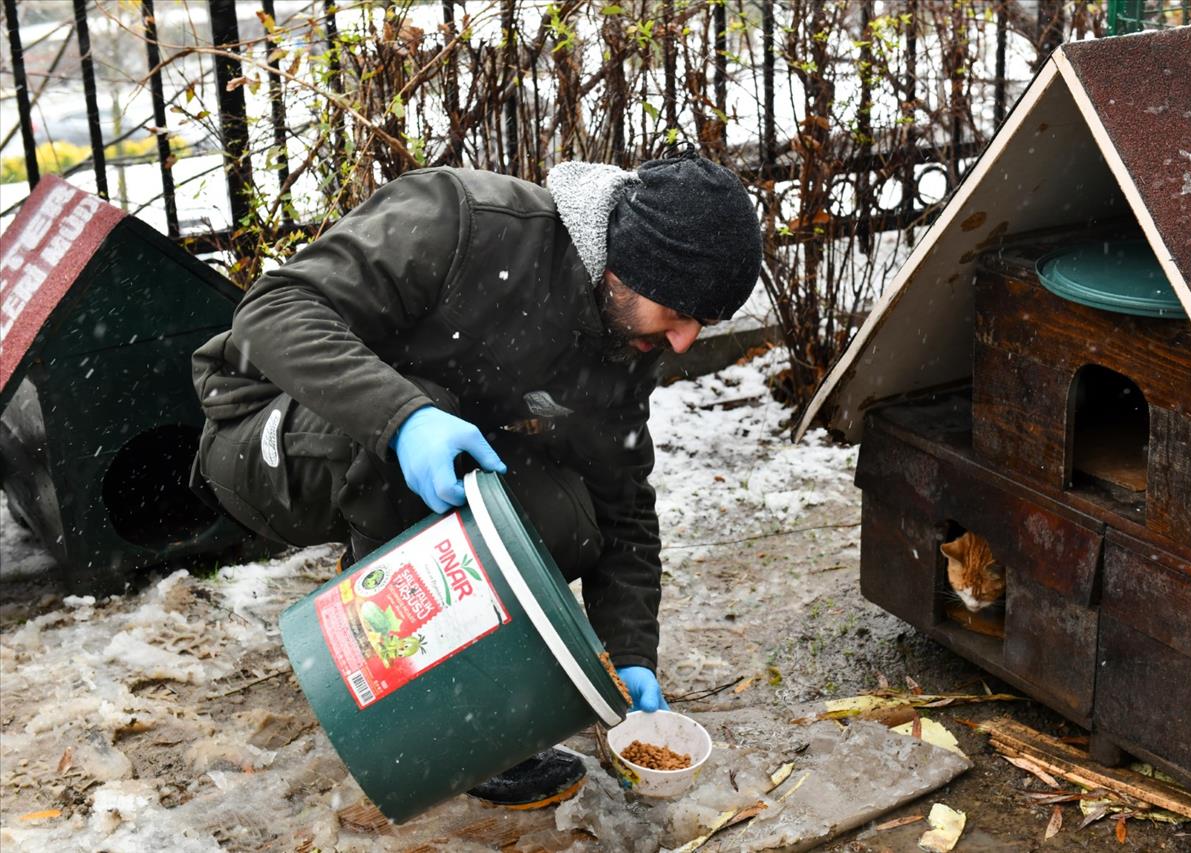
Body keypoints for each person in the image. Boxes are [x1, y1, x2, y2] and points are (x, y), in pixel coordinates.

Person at [188, 150, 762, 808]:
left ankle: (436, 660)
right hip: (264, 432)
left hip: (402, 445)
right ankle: (415, 705)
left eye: (704, 325)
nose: (686, 342)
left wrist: (627, 652)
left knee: (570, 517)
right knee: (428, 413)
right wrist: (405, 419)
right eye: (680, 311)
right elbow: (274, 313)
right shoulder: (464, 219)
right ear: (625, 265)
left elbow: (624, 504)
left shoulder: (629, 335)